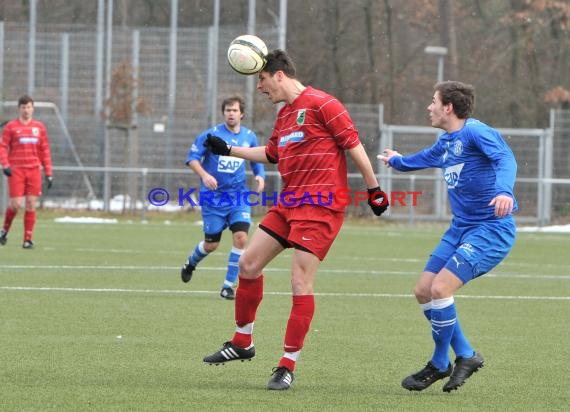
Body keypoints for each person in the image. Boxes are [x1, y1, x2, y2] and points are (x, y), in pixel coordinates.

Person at [202, 49, 389, 390]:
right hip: (289, 203)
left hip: (321, 206)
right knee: (247, 264)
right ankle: (243, 342)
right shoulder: (285, 115)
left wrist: (374, 188)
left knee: (299, 282)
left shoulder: (323, 104)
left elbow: (354, 145)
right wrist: (228, 150)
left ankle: (287, 364)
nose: (259, 88)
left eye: (261, 80)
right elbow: (271, 154)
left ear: (278, 75)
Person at [379, 80, 517, 392]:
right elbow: (422, 159)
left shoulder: (475, 132)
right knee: (424, 290)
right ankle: (466, 354)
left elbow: (506, 159)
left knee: (441, 288)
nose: (429, 107)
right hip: (460, 229)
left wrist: (504, 191)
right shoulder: (447, 143)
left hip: (491, 229)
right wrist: (397, 161)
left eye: (433, 101)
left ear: (448, 107)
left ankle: (441, 362)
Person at [181, 96, 266, 300]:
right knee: (211, 245)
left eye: (235, 110)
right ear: (223, 112)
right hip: (213, 199)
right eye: (228, 110)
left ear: (242, 114)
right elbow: (192, 159)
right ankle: (191, 263)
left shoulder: (249, 136)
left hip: (238, 197)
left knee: (241, 238)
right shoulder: (211, 135)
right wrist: (205, 175)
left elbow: (257, 160)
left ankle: (227, 286)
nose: (231, 113)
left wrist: (260, 175)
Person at [0, 95, 53, 249]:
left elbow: (44, 151)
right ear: (19, 109)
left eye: (29, 107)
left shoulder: (39, 127)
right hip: (16, 170)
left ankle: (27, 239)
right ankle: (4, 231)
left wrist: (49, 172)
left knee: (31, 204)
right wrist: (5, 164)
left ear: (33, 108)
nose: (26, 110)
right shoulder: (11, 127)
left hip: (34, 170)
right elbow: (3, 146)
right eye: (23, 107)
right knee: (15, 204)